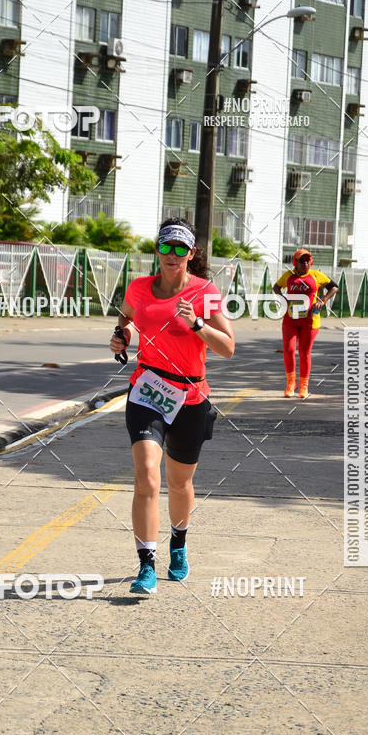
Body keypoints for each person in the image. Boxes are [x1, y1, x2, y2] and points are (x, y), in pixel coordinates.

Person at [109, 218, 234, 595]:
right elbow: (128, 318)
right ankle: (146, 565)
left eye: (181, 249)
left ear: (191, 254)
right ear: (157, 251)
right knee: (147, 476)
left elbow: (227, 347)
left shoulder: (205, 292)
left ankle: (177, 546)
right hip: (147, 390)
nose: (172, 256)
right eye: (166, 247)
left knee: (180, 483)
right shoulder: (139, 287)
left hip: (190, 397)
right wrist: (122, 336)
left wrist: (197, 324)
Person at [272, 249, 338, 398]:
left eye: (308, 260)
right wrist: (284, 299)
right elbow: (276, 287)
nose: (305, 263)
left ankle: (303, 385)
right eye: (302, 261)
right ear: (295, 262)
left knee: (304, 353)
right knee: (289, 350)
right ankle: (291, 383)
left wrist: (323, 300)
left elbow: (334, 287)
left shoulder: (316, 275)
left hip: (310, 321)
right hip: (291, 320)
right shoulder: (288, 276)